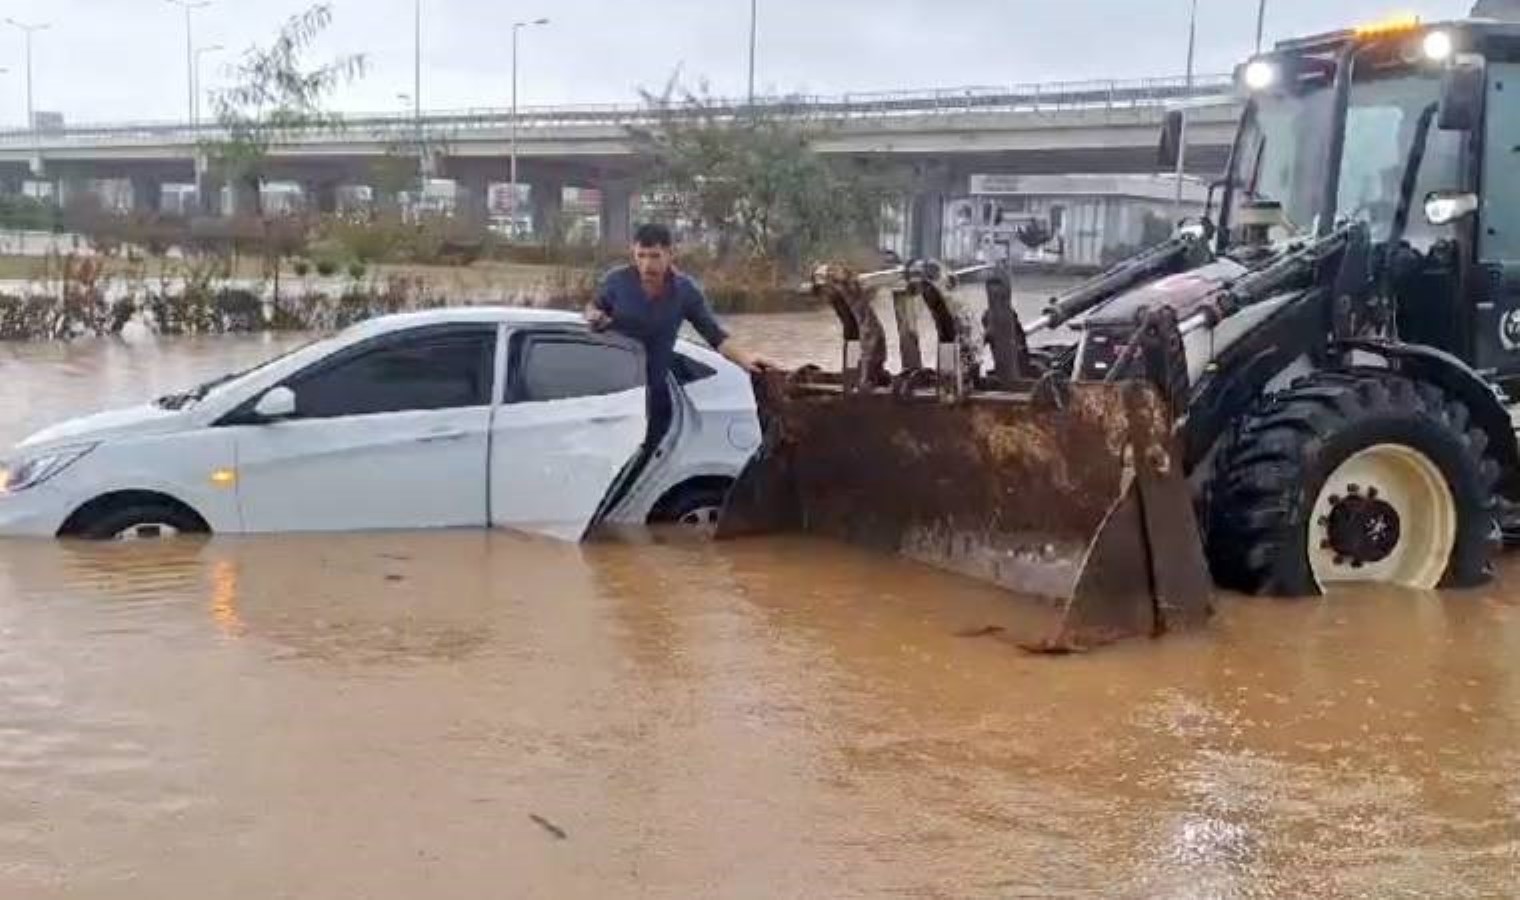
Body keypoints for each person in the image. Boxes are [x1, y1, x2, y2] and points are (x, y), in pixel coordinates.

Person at [585, 223, 777, 446]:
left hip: (655, 395)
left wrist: (747, 359)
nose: (647, 265)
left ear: (670, 254)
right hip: (614, 394)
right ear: (634, 254)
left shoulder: (685, 291)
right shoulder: (617, 281)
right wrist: (595, 317)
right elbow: (593, 308)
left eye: (655, 256)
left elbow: (716, 336)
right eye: (641, 256)